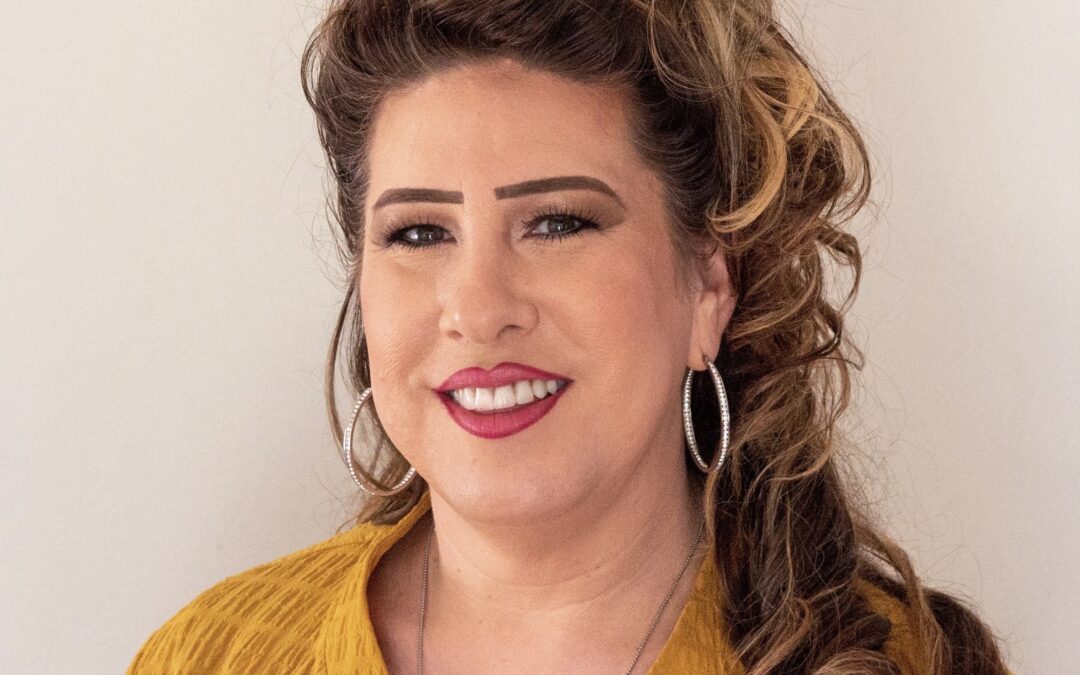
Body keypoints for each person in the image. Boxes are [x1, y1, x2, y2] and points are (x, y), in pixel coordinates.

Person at [127, 0, 1015, 673]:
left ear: (708, 283)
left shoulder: (895, 661)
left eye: (556, 224)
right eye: (419, 233)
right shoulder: (212, 653)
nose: (477, 307)